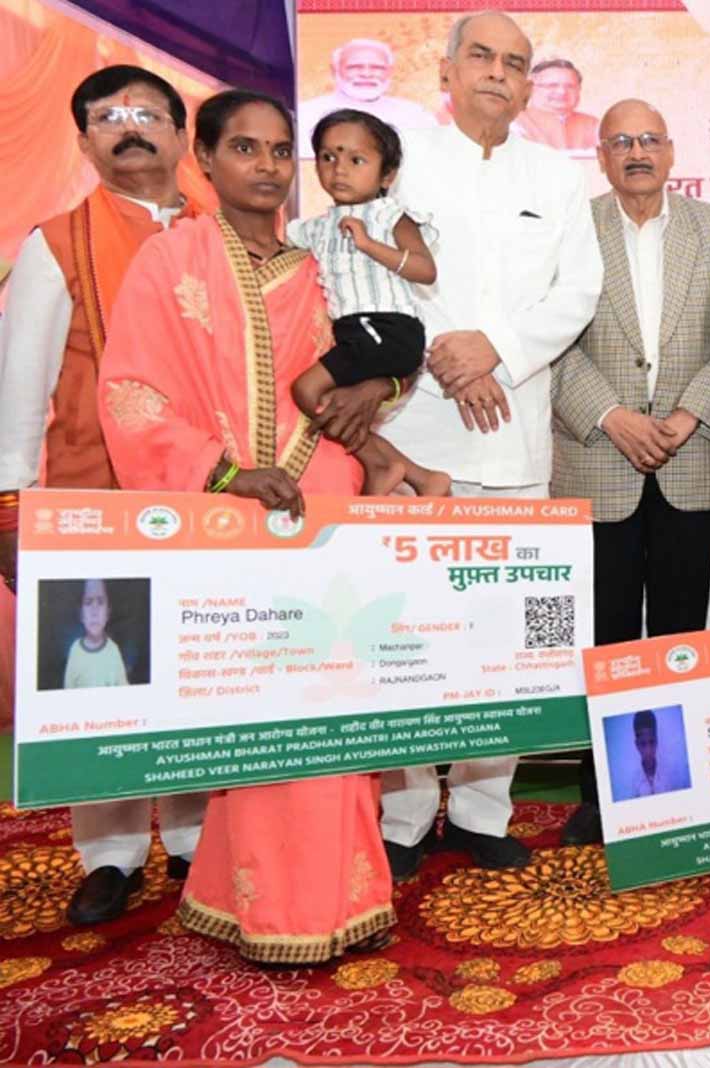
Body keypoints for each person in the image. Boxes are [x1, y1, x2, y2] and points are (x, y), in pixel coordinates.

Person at [98, 89, 396, 964]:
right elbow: (131, 394)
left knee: (338, 710)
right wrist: (228, 475)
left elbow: (365, 366)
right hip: (226, 520)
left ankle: (349, 897)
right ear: (204, 157)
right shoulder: (171, 260)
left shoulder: (317, 264)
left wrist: (377, 389)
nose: (266, 166)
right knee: (260, 720)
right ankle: (265, 905)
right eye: (244, 149)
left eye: (277, 150)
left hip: (328, 517)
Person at [377, 10, 603, 880]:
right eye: (482, 57)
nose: (499, 74)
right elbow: (360, 270)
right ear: (446, 70)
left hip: (512, 434)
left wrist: (495, 351)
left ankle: (481, 812)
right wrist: (449, 354)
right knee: (406, 634)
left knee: (501, 637)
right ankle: (401, 818)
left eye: (516, 63)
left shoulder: (556, 174)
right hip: (412, 433)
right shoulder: (394, 162)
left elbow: (577, 292)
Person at [0, 64, 207, 927]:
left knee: (200, 672)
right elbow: (21, 383)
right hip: (97, 497)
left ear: (181, 136)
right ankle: (111, 854)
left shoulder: (221, 232)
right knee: (103, 684)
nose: (130, 128)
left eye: (148, 114)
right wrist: (11, 503)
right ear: (84, 140)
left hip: (207, 501)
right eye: (108, 116)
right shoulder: (57, 242)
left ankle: (197, 837)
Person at [551, 99, 710, 846]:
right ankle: (601, 795)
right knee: (603, 638)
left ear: (671, 151)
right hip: (598, 457)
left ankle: (668, 790)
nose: (637, 152)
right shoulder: (572, 229)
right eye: (621, 141)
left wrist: (691, 414)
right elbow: (551, 340)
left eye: (650, 140)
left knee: (678, 631)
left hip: (693, 456)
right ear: (600, 155)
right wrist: (611, 415)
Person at [288, 109, 448, 496]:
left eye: (356, 160)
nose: (339, 169)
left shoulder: (389, 216)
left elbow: (426, 270)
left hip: (387, 329)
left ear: (387, 175)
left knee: (306, 391)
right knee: (329, 402)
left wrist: (368, 244)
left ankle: (384, 465)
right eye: (328, 157)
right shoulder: (314, 227)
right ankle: (413, 474)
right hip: (354, 333)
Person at [297, 38, 435, 157]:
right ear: (335, 70)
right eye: (355, 67)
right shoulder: (305, 115)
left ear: (390, 71)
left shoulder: (416, 115)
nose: (366, 74)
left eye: (377, 68)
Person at [515, 58, 599, 155]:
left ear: (579, 90)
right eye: (552, 85)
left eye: (570, 86)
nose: (562, 92)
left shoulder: (593, 125)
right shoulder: (515, 122)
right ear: (531, 89)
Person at [63, 579, 128, 689]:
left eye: (101, 602)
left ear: (108, 613)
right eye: (88, 602)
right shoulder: (75, 650)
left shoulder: (113, 651)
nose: (94, 611)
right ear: (81, 614)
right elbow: (67, 688)